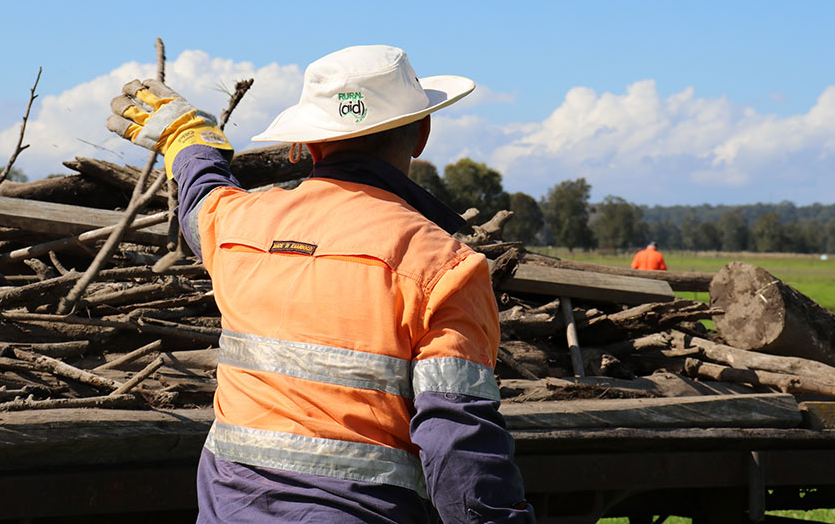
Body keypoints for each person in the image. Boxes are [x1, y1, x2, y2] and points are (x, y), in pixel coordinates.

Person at [107, 44, 534, 524]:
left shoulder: (238, 230)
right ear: (422, 134)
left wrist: (189, 138)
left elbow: (199, 202)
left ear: (307, 145)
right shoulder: (445, 268)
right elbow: (458, 442)